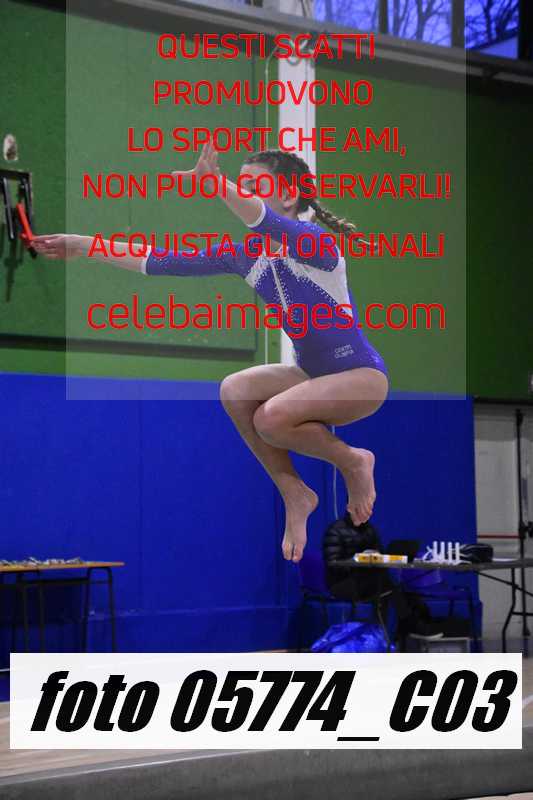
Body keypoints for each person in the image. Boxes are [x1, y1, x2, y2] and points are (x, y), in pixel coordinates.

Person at [31, 143, 389, 564]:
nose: (244, 191)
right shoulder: (246, 256)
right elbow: (158, 260)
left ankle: (352, 461)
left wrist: (217, 184)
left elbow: (260, 217)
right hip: (313, 376)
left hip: (360, 377)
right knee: (235, 389)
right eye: (242, 183)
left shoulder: (315, 243)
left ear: (288, 194)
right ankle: (293, 490)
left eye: (253, 185)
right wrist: (83, 244)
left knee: (270, 418)